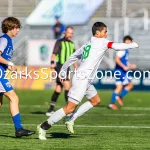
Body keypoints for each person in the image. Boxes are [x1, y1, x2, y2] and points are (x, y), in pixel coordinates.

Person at [37, 22, 139, 140]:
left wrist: (63, 71)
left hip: (84, 79)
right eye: (105, 31)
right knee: (69, 108)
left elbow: (72, 57)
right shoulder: (102, 42)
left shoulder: (87, 44)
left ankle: (71, 119)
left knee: (96, 100)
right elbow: (116, 46)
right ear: (98, 32)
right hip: (81, 79)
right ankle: (44, 127)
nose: (107, 34)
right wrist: (134, 44)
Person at [0, 17, 35, 137]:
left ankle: (19, 129)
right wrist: (9, 63)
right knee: (14, 98)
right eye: (16, 27)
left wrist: (17, 72)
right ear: (10, 27)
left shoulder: (8, 41)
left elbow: (4, 63)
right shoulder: (4, 40)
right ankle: (19, 129)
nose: (18, 30)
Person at [46, 26, 77, 117]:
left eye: (72, 33)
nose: (70, 35)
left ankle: (51, 109)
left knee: (58, 89)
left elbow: (74, 58)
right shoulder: (59, 42)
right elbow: (53, 55)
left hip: (67, 68)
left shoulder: (72, 44)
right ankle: (69, 109)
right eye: (69, 33)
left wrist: (76, 68)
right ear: (65, 32)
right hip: (60, 67)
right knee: (67, 87)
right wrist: (52, 68)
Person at [108, 35, 136, 110]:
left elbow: (124, 61)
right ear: (126, 41)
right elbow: (116, 59)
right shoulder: (123, 49)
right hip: (121, 71)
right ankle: (119, 97)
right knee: (130, 85)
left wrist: (130, 65)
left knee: (119, 87)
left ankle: (111, 104)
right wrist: (123, 66)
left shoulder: (126, 50)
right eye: (129, 41)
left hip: (118, 70)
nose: (130, 42)